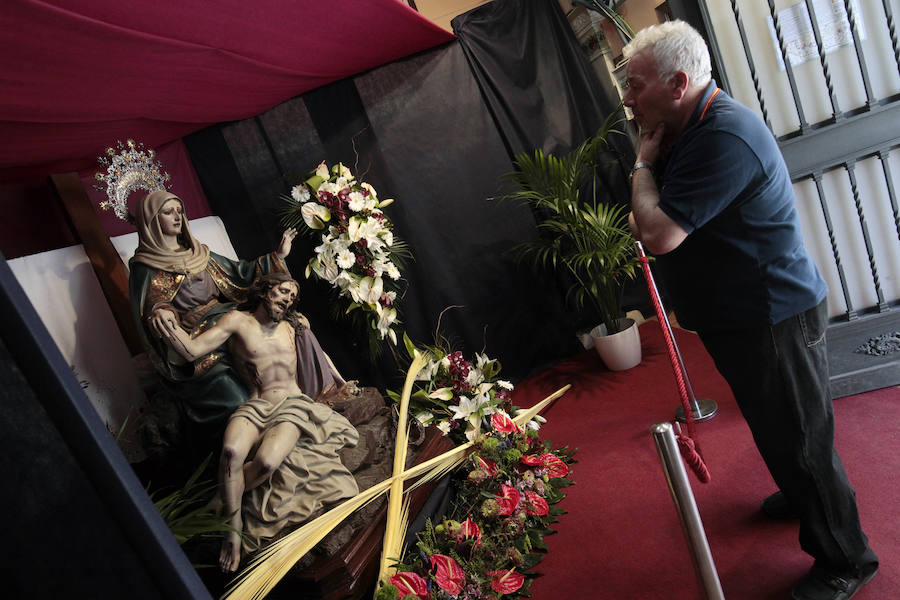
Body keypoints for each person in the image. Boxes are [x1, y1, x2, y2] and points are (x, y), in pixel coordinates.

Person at [623, 21, 878, 600]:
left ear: (679, 82)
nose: (628, 98)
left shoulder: (721, 137)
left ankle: (846, 559)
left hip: (772, 315)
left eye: (636, 86)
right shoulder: (687, 126)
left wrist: (641, 165)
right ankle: (799, 494)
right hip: (740, 316)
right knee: (776, 424)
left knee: (803, 440)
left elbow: (657, 232)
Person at [162, 272, 360, 572]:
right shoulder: (237, 321)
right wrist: (166, 323)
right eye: (283, 292)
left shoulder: (294, 325)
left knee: (267, 463)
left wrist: (341, 381)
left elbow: (320, 354)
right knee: (230, 454)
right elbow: (190, 350)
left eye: (292, 297)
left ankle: (225, 500)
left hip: (292, 405)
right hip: (255, 404)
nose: (287, 299)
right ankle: (232, 534)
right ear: (265, 291)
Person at [129, 190, 297, 450]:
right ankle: (244, 454)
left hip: (231, 321)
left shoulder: (199, 253)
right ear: (151, 219)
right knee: (236, 401)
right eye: (168, 211)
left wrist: (278, 256)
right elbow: (149, 308)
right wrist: (164, 311)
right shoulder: (145, 267)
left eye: (179, 210)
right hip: (200, 342)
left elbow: (241, 274)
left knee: (293, 333)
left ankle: (300, 419)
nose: (177, 216)